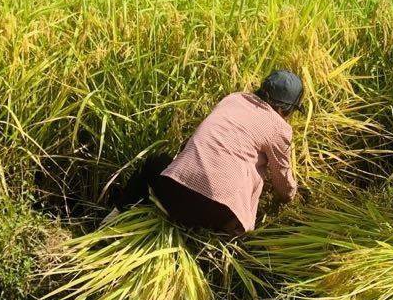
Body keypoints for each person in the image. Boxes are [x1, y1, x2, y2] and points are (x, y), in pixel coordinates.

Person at [113, 70, 303, 237]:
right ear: (282, 108)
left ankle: (116, 215)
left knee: (156, 161)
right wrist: (290, 197)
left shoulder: (233, 99)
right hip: (220, 216)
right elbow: (282, 181)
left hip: (172, 195)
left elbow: (192, 143)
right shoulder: (279, 128)